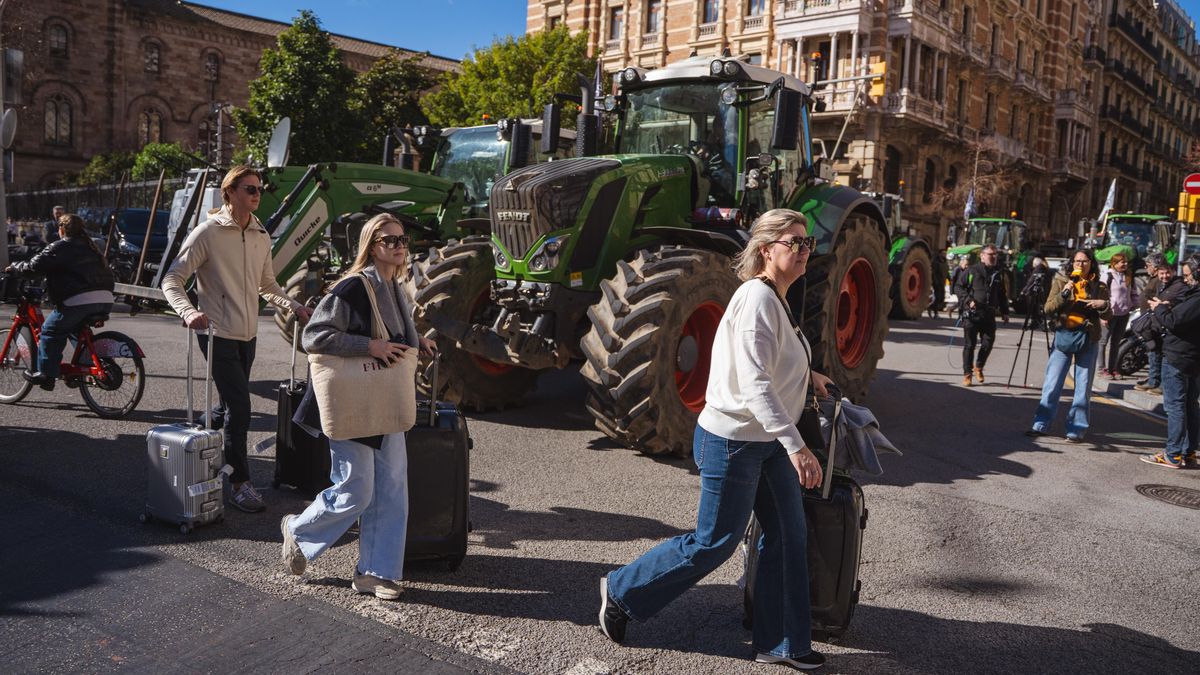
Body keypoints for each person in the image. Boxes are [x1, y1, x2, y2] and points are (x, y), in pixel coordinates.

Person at [598, 209, 833, 671]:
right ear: (766, 249)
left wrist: (810, 376)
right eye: (794, 243)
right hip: (735, 440)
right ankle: (622, 591)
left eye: (808, 243)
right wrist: (797, 446)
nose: (804, 251)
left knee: (788, 534)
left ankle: (782, 642)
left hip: (765, 438)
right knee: (715, 542)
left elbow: (774, 363)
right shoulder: (756, 299)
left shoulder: (778, 297)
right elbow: (755, 384)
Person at [280, 213, 436, 599]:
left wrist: (420, 342)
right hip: (353, 399)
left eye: (403, 239)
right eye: (390, 240)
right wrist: (370, 346)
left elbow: (396, 332)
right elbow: (315, 336)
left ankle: (375, 572)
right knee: (357, 489)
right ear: (372, 245)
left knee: (393, 488)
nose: (399, 246)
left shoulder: (396, 286)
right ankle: (299, 531)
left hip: (384, 398)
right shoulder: (353, 287)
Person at [161, 165, 313, 514]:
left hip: (248, 334)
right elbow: (173, 279)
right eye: (248, 189)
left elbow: (267, 285)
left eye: (259, 189)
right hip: (216, 334)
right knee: (241, 409)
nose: (256, 194)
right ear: (229, 192)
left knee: (229, 406)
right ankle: (239, 483)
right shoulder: (207, 233)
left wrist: (294, 305)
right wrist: (188, 312)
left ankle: (193, 438)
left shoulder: (260, 234)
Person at [3, 214, 115, 390]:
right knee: (74, 330)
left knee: (50, 332)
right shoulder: (92, 247)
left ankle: (46, 375)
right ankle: (88, 365)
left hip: (79, 301)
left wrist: (14, 268)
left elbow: (34, 267)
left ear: (61, 230)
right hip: (106, 299)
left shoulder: (59, 247)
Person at [1027, 248, 1111, 442]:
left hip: (1088, 338)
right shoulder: (1061, 281)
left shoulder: (1100, 286)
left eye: (1084, 261)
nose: (1080, 265)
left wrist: (1102, 305)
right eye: (1077, 261)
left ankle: (1076, 429)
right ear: (1072, 263)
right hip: (1064, 337)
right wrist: (1064, 295)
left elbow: (1108, 315)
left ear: (1091, 263)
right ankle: (1040, 424)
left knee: (1082, 388)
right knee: (1052, 384)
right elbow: (1048, 309)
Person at [1139, 254, 1200, 469]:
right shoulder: (1192, 295)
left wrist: (1160, 308)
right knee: (1190, 406)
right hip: (1191, 358)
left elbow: (1173, 321)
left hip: (1179, 357)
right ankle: (1189, 452)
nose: (1185, 280)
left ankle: (1173, 454)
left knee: (1176, 407)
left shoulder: (1196, 298)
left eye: (1188, 275)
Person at [952, 244, 1010, 386]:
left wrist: (1005, 311)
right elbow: (958, 287)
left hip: (989, 314)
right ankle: (967, 374)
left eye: (995, 254)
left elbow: (1001, 294)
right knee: (969, 345)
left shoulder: (998, 273)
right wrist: (968, 300)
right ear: (982, 256)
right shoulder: (972, 270)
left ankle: (978, 367)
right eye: (991, 254)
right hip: (972, 314)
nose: (994, 257)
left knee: (988, 343)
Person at [1134, 254, 1177, 395]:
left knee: (1155, 351)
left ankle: (1155, 381)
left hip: (1155, 322)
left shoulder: (1159, 281)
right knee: (1153, 351)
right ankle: (1153, 380)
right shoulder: (1154, 280)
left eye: (1148, 265)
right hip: (1149, 322)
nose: (1147, 268)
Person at [1098, 252, 1136, 379]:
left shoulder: (1129, 276)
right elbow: (1101, 296)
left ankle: (1113, 368)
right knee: (1103, 342)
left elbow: (1133, 293)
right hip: (1110, 314)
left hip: (1123, 314)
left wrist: (1135, 305)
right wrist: (1102, 315)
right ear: (1114, 263)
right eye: (1122, 262)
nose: (1125, 264)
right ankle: (1102, 369)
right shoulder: (1107, 276)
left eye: (1126, 262)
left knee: (1116, 343)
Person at [930, 249, 948, 318]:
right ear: (939, 254)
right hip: (937, 282)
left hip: (942, 282)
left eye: (945, 253)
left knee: (941, 297)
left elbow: (946, 271)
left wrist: (949, 278)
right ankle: (935, 313)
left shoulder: (945, 261)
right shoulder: (935, 262)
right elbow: (933, 273)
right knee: (938, 297)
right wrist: (935, 281)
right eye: (943, 253)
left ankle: (931, 307)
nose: (944, 254)